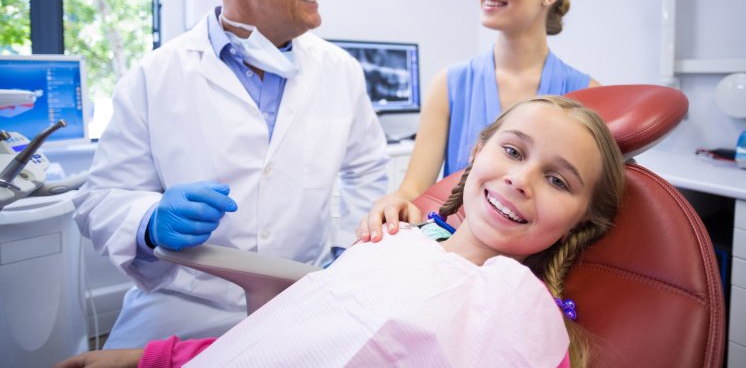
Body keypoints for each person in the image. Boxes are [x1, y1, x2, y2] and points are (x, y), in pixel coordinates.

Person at [58, 96, 625, 368]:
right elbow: (287, 343)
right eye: (511, 150)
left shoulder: (522, 311)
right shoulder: (393, 242)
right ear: (475, 155)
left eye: (556, 179)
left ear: (584, 221)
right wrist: (148, 358)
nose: (521, 179)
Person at [71, 0, 389, 348]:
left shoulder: (339, 70)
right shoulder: (155, 75)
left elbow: (368, 172)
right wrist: (150, 218)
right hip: (183, 303)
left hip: (302, 294)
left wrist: (346, 252)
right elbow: (100, 199)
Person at [359, 0, 599, 243]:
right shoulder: (450, 84)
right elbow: (415, 189)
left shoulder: (590, 95)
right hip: (451, 255)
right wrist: (395, 203)